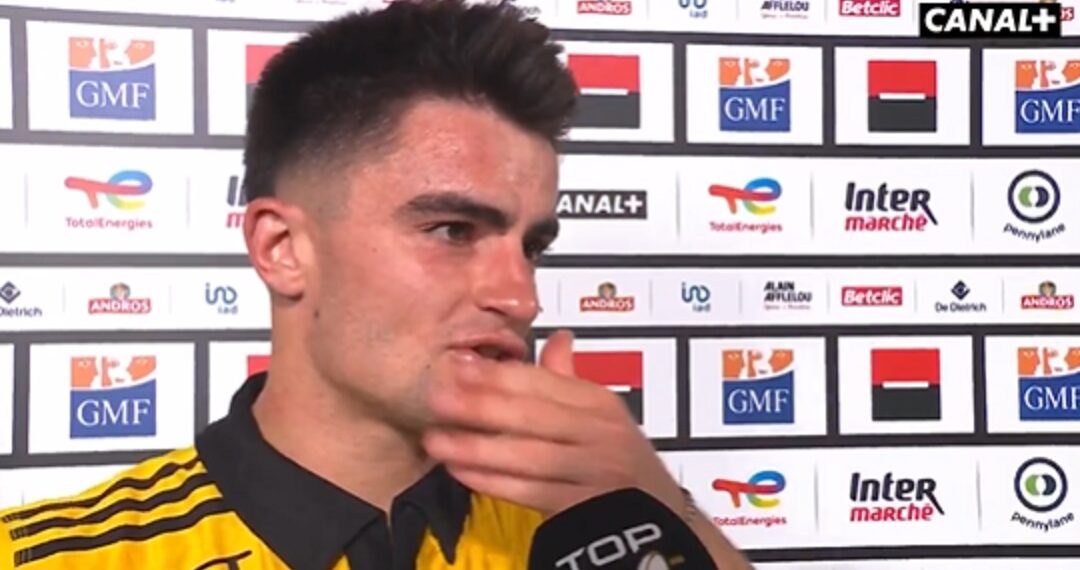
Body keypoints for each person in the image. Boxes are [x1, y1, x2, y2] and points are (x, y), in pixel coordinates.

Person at [0, 1, 753, 568]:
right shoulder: (48, 556)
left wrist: (660, 503)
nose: (521, 297)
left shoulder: (597, 541)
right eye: (452, 230)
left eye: (532, 246)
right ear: (283, 249)